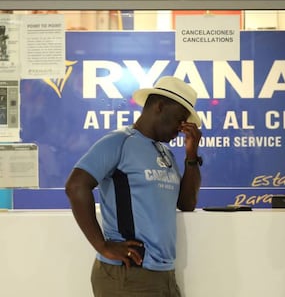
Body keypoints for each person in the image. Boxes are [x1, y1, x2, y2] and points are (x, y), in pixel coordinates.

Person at [65, 76, 203, 297]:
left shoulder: (165, 153)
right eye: (179, 118)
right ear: (159, 106)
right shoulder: (119, 142)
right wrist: (102, 245)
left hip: (163, 274)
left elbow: (186, 203)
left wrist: (191, 156)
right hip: (129, 275)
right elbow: (75, 186)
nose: (181, 127)